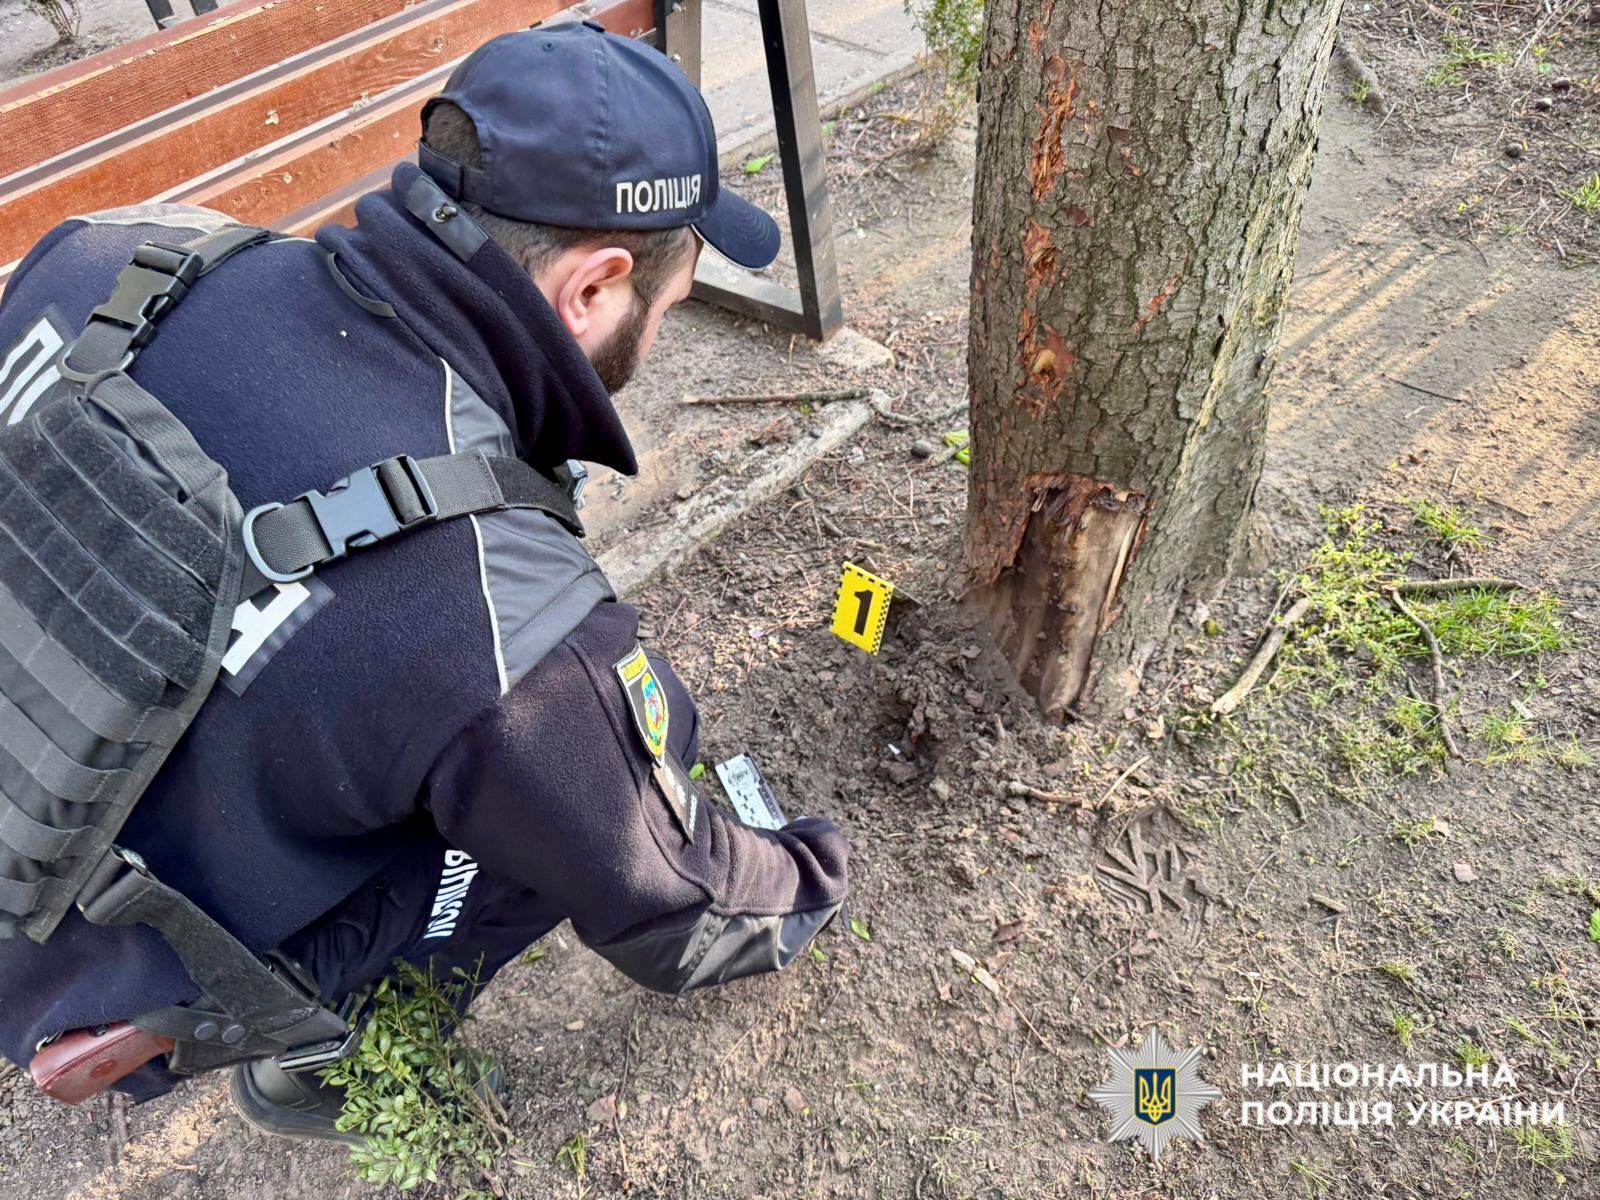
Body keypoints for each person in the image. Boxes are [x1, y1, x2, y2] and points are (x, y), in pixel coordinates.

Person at [0, 21, 849, 1143]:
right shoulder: (491, 614)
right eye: (670, 299)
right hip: (79, 950)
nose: (665, 320)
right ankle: (318, 1054)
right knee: (561, 786)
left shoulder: (117, 252)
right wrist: (809, 873)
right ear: (595, 287)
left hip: (34, 797)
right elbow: (681, 911)